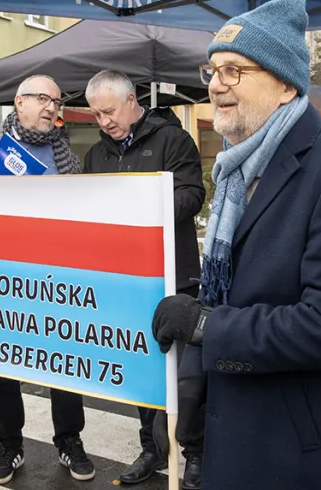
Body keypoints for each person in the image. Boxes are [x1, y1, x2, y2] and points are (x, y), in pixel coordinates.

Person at [149, 0, 321, 489]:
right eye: (211, 71)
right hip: (230, 421)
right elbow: (246, 278)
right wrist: (197, 304)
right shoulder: (240, 163)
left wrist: (207, 326)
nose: (216, 86)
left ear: (284, 85)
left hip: (287, 443)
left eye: (234, 70)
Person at [0, 75, 91, 485]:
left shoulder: (64, 152)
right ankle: (9, 445)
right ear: (19, 101)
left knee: (65, 361)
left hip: (55, 277)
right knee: (1, 365)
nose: (51, 107)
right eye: (43, 99)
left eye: (57, 101)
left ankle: (69, 440)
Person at [82, 70, 206, 489]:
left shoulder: (173, 140)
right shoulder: (96, 155)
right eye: (96, 115)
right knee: (139, 367)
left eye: (109, 111)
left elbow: (192, 194)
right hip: (126, 278)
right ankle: (152, 449)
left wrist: (142, 208)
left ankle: (192, 454)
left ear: (132, 100)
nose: (103, 122)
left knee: (183, 374)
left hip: (176, 277)